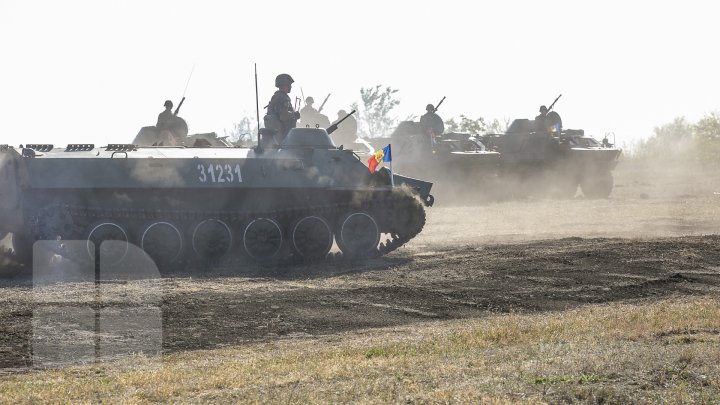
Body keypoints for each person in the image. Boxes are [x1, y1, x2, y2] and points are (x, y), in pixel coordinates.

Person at [263, 73, 300, 144]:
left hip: (277, 135)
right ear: (284, 85)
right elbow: (283, 116)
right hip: (284, 135)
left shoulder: (276, 97)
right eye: (289, 85)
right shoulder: (283, 98)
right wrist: (294, 115)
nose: (290, 87)